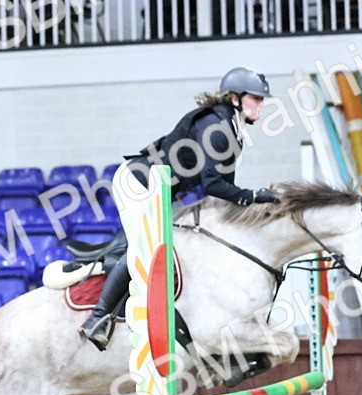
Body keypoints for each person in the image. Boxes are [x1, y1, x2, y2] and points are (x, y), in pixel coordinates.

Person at [77, 67, 282, 351]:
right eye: (256, 98)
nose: (262, 104)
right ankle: (97, 319)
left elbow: (226, 191)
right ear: (235, 98)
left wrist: (255, 205)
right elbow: (213, 185)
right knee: (146, 247)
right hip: (137, 182)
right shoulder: (216, 128)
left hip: (162, 190)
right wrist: (256, 197)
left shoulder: (233, 130)